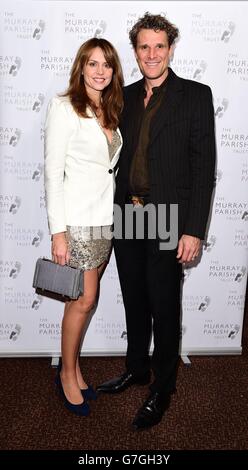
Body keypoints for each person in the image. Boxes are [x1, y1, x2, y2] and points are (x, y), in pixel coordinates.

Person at [96, 13, 216, 429]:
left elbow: (204, 169)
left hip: (167, 216)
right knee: (134, 298)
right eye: (144, 47)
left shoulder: (195, 96)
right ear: (135, 51)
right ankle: (137, 368)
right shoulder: (123, 96)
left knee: (164, 306)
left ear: (170, 49)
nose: (152, 54)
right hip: (126, 213)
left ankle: (163, 388)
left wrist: (194, 229)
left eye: (159, 46)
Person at [44, 38, 123, 416]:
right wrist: (58, 232)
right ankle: (66, 375)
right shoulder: (65, 108)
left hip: (104, 221)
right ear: (81, 67)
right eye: (92, 63)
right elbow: (52, 174)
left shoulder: (109, 108)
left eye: (106, 64)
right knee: (83, 301)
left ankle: (72, 369)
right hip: (76, 222)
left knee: (83, 301)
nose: (100, 71)